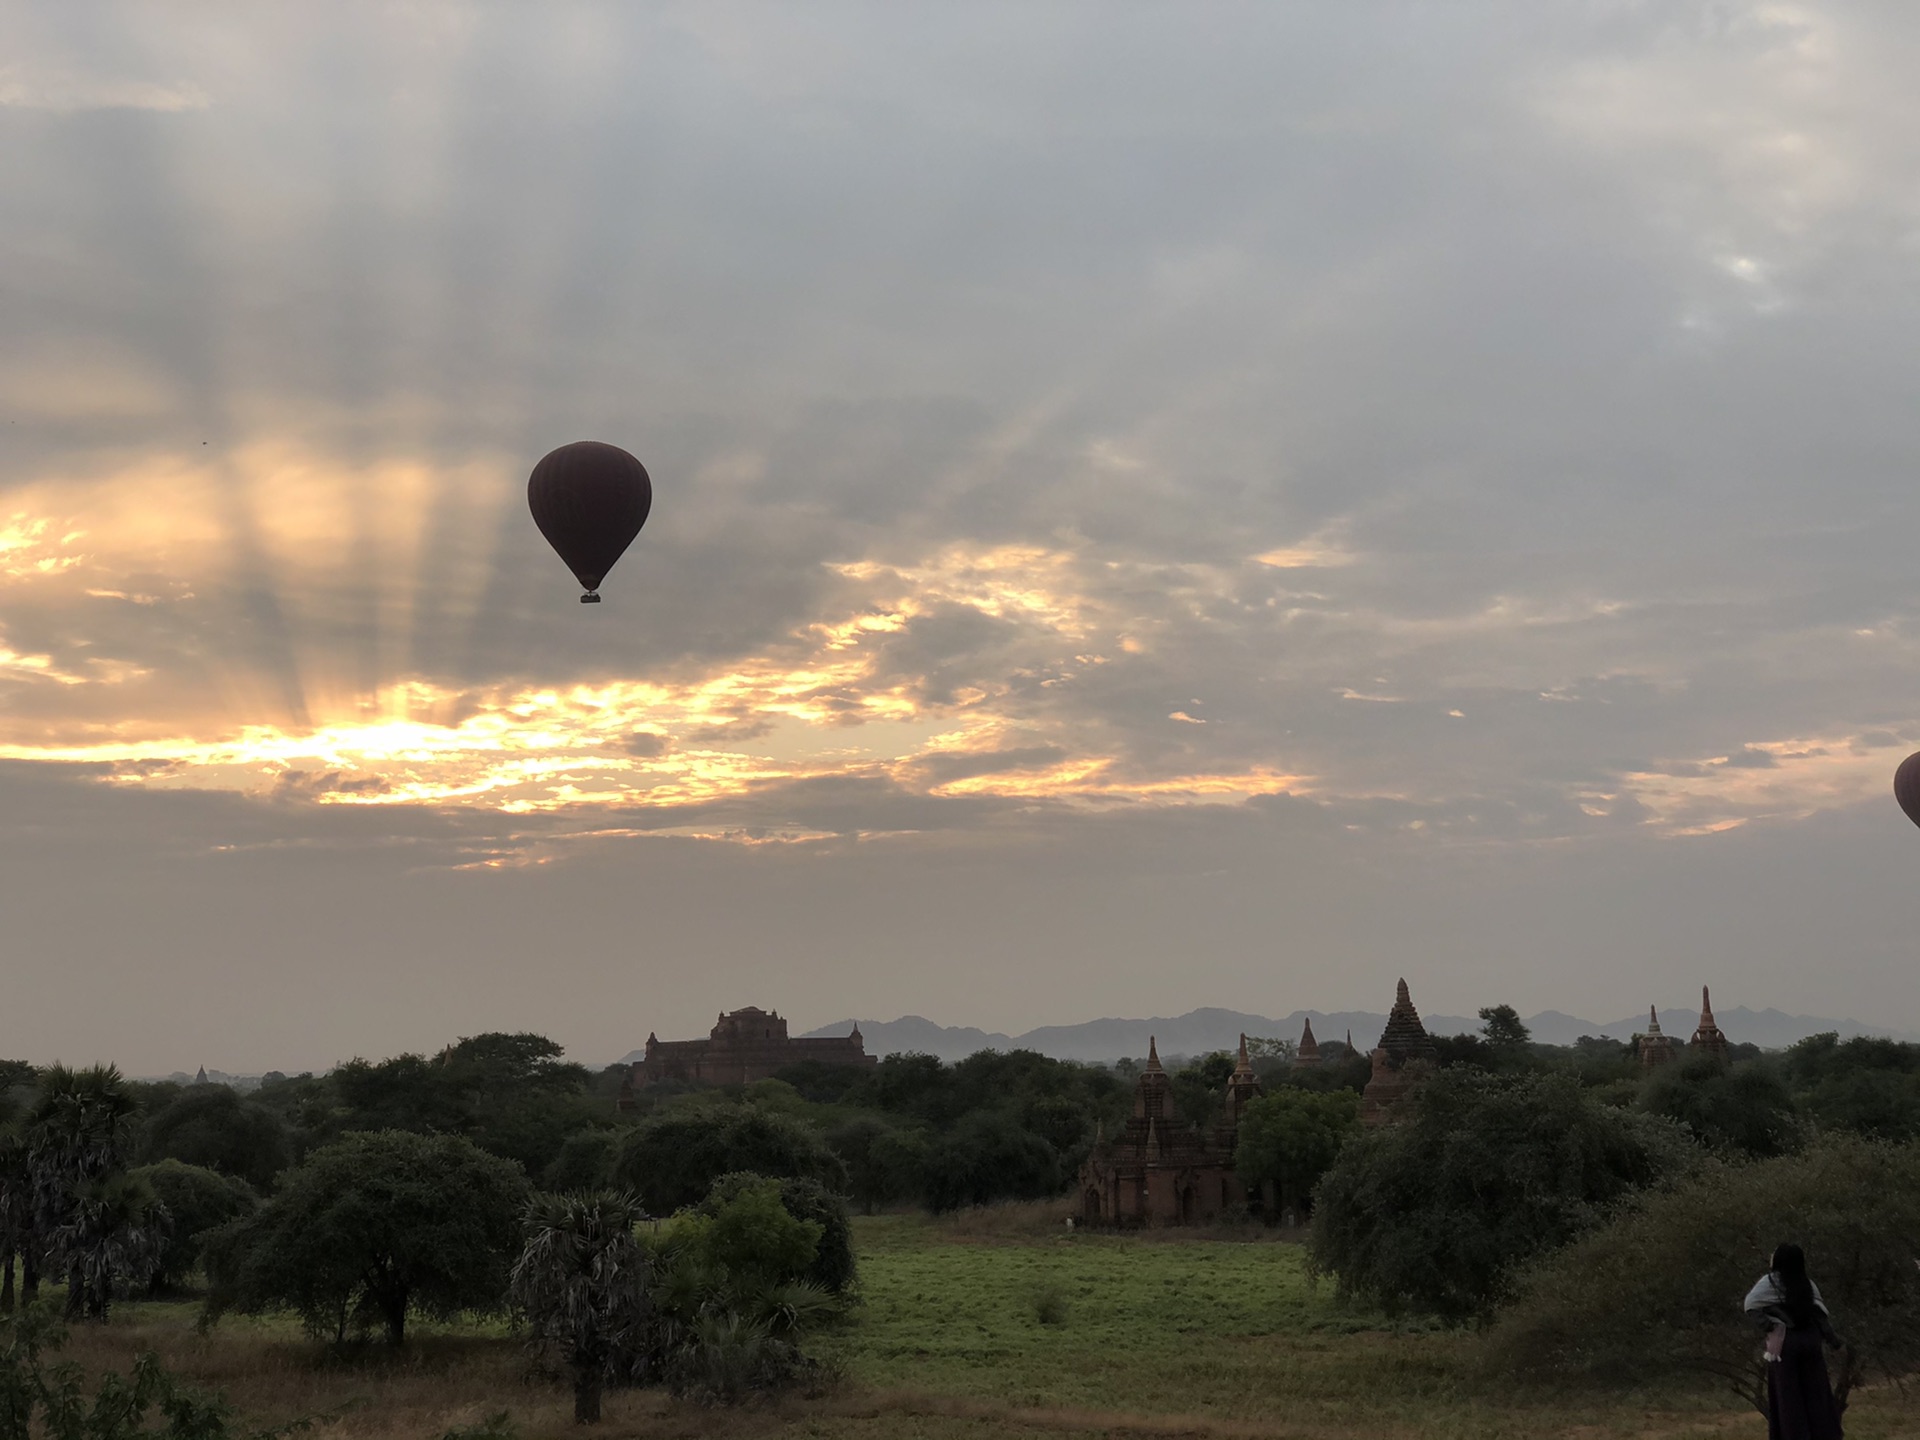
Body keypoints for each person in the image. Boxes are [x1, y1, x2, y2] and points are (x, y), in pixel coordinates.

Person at [1744, 1242, 1845, 1440]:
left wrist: (1770, 1325)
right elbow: (1820, 1316)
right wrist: (1834, 1342)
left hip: (1784, 1345)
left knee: (1788, 1396)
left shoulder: (1769, 1282)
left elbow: (1750, 1305)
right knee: (1816, 1392)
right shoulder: (1807, 1283)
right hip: (1810, 1342)